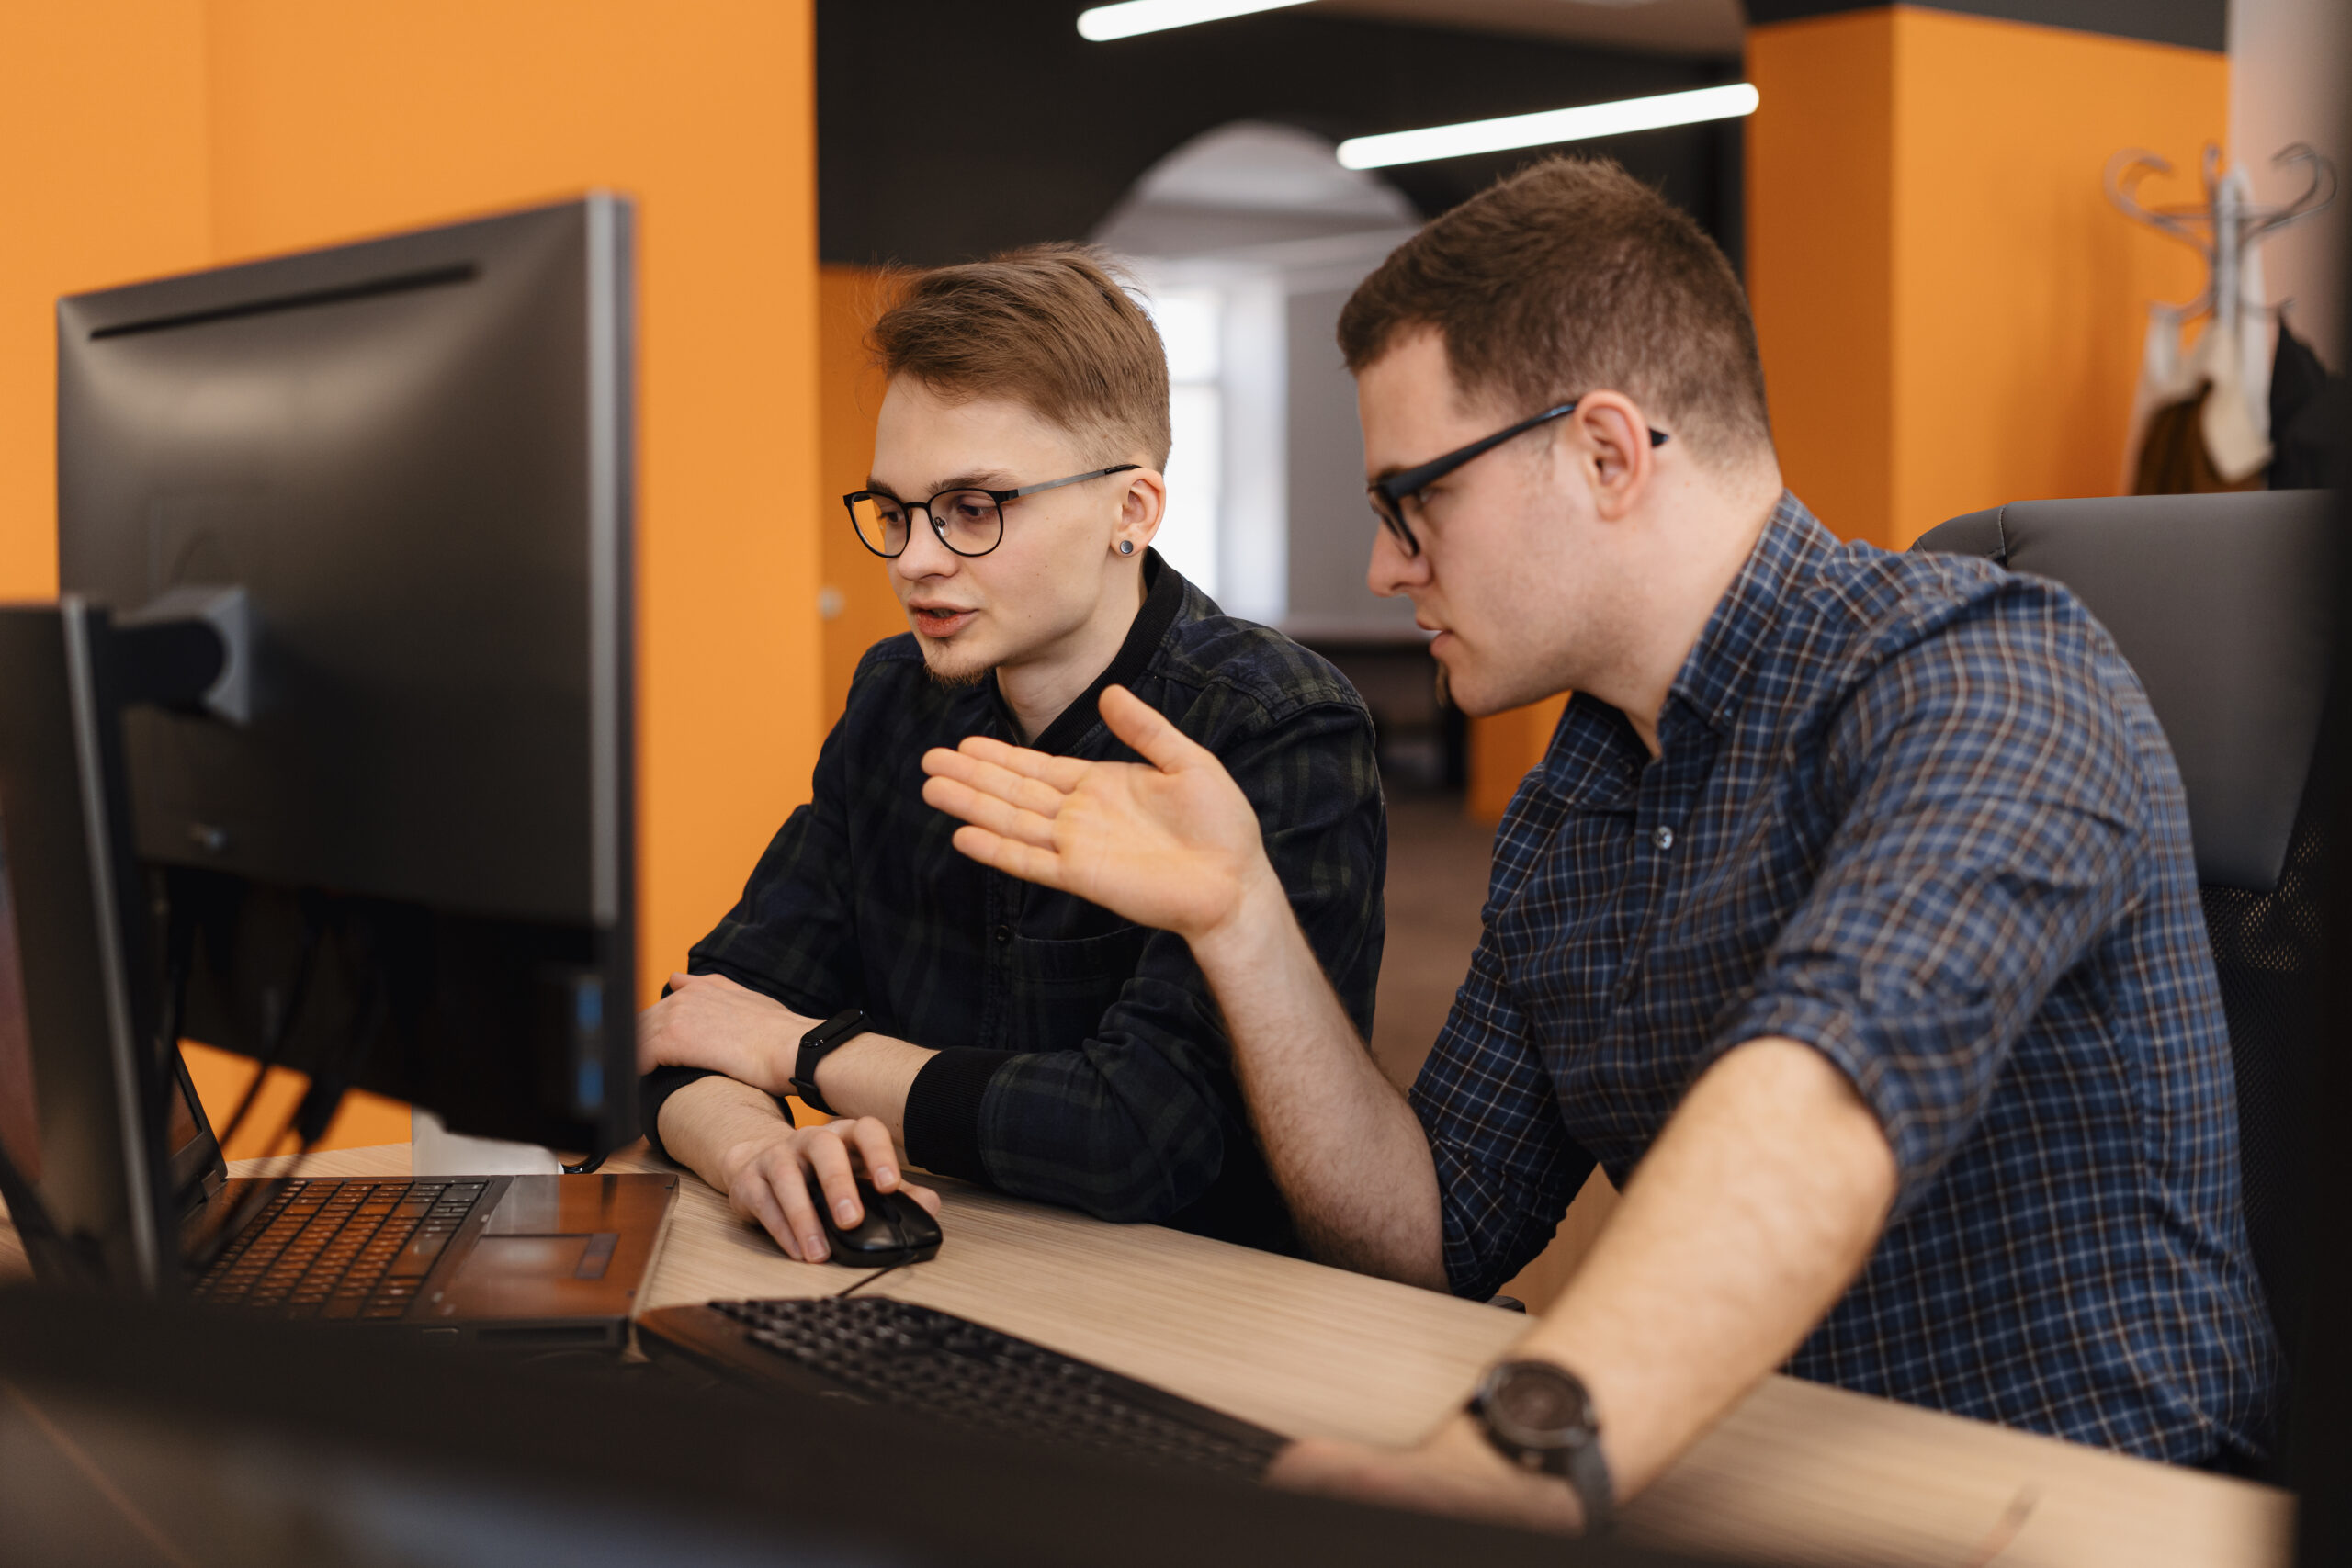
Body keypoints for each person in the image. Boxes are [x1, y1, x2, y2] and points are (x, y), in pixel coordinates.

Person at [922, 161, 2278, 1531]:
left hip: (2084, 1509)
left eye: (1412, 502)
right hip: (1750, 1483)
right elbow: (1432, 1233)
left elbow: (1828, 1088)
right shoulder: (1580, 800)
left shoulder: (1985, 671)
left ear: (1607, 453)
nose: (1388, 569)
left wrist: (1496, 1464)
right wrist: (1243, 919)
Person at [638, 245, 1385, 1266]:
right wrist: (752, 1149)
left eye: (974, 508)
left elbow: (1137, 1141)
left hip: (1189, 1310)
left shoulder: (1272, 725)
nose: (914, 559)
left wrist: (801, 1052)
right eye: (896, 512)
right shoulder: (894, 697)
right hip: (951, 1269)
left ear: (1132, 510)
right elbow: (702, 1018)